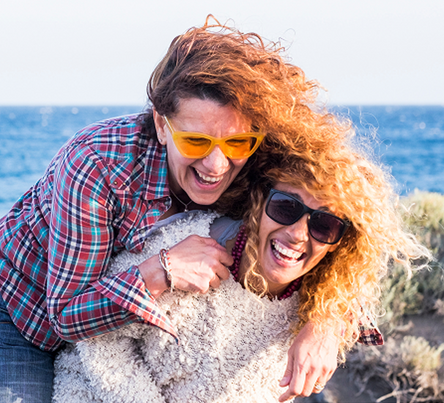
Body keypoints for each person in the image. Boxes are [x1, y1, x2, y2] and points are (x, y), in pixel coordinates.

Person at [0, 17, 378, 402]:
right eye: (194, 142)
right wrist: (162, 269)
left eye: (236, 144)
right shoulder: (98, 164)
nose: (215, 165)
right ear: (160, 123)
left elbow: (347, 231)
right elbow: (65, 314)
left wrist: (327, 322)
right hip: (13, 314)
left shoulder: (256, 166)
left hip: (103, 336)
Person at [51, 136, 430, 403]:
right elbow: (99, 343)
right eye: (286, 207)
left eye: (324, 225)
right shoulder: (189, 251)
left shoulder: (320, 299)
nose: (298, 234)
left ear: (340, 242)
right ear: (258, 201)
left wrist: (329, 322)